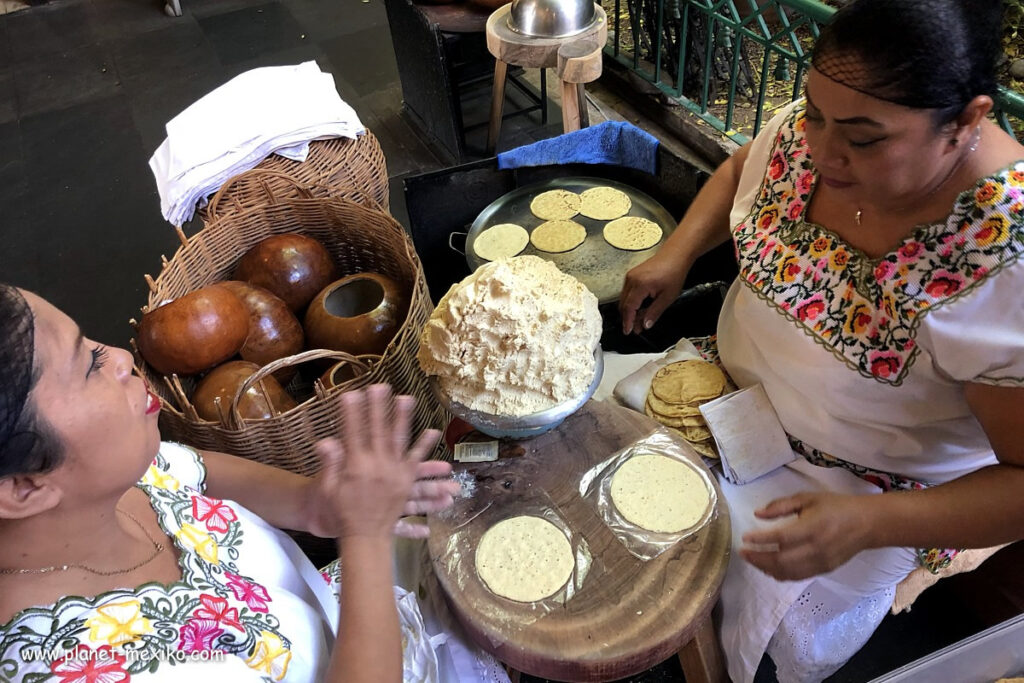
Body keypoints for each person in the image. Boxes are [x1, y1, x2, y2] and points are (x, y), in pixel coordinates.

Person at [620, 0, 1024, 680]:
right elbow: (742, 166)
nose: (820, 150)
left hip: (867, 492)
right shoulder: (820, 134)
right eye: (812, 111)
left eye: (864, 139)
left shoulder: (1002, 261)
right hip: (730, 400)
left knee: (787, 632)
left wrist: (867, 524)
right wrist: (679, 252)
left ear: (966, 121)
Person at [0, 285, 509, 682]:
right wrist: (363, 536)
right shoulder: (81, 663)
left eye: (92, 341)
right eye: (88, 364)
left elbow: (199, 471)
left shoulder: (118, 472)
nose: (121, 356)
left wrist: (314, 504)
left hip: (339, 616)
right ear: (22, 487)